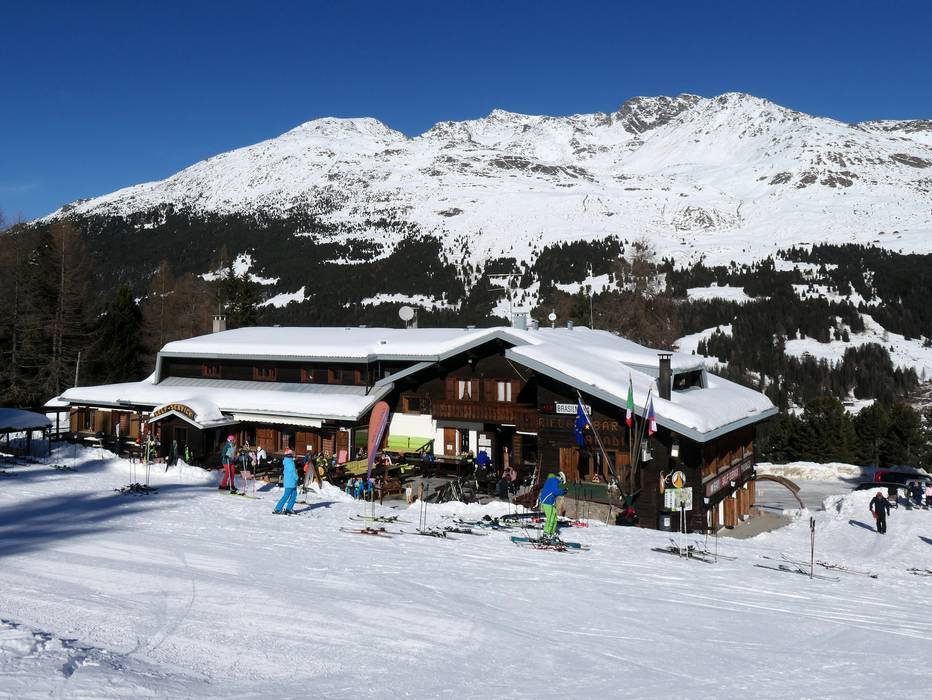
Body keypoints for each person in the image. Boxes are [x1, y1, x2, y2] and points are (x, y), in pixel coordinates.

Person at [538, 471, 567, 541]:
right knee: (550, 518)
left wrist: (562, 491)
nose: (560, 483)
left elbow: (553, 491)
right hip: (547, 501)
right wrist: (563, 491)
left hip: (550, 501)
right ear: (561, 478)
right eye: (561, 481)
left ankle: (551, 532)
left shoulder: (552, 480)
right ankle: (547, 533)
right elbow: (555, 491)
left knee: (554, 517)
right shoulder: (554, 480)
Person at [274, 448, 298, 514]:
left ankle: (289, 508)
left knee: (294, 494)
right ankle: (278, 508)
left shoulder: (287, 461)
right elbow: (293, 472)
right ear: (290, 455)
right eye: (292, 454)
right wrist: (297, 478)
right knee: (286, 495)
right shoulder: (290, 462)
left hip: (291, 481)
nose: (293, 455)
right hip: (290, 482)